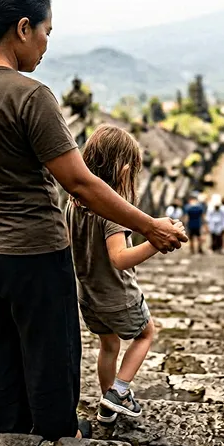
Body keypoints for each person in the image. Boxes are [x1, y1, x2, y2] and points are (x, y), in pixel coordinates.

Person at [0, 0, 187, 442]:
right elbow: (80, 183)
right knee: (51, 352)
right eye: (47, 32)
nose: (47, 45)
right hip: (31, 252)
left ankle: (11, 434)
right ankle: (56, 440)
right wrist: (151, 226)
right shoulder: (30, 96)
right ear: (24, 28)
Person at [66, 125, 183, 423]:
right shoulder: (113, 213)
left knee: (108, 345)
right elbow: (120, 259)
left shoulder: (71, 204)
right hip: (119, 295)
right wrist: (156, 242)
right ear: (124, 171)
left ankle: (107, 405)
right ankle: (118, 391)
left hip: (88, 297)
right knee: (145, 334)